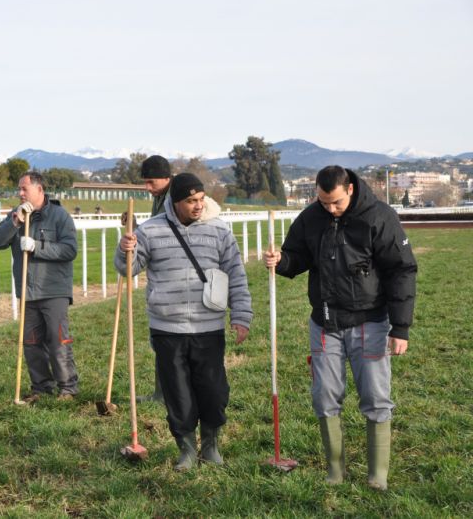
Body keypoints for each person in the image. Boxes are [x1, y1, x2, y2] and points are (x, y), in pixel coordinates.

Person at [263, 165, 417, 491]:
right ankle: (335, 471)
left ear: (349, 189)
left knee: (376, 397)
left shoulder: (380, 217)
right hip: (324, 323)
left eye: (335, 203)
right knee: (324, 396)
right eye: (323, 202)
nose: (329, 208)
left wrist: (400, 327)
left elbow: (402, 270)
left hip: (371, 323)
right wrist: (281, 261)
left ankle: (377, 475)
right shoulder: (310, 217)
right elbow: (297, 256)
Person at [115, 173, 252, 471]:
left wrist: (241, 315)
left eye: (201, 199)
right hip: (167, 328)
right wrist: (126, 248)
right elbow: (128, 269)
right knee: (177, 393)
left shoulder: (219, 231)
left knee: (214, 391)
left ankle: (211, 445)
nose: (198, 205)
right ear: (175, 202)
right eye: (191, 201)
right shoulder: (151, 231)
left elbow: (237, 276)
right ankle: (187, 449)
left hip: (209, 328)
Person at [136, 155, 222, 404]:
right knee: (162, 342)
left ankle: (176, 394)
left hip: (185, 281)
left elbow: (209, 212)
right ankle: (162, 394)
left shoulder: (181, 195)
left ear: (166, 179)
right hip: (163, 280)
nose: (147, 188)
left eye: (151, 182)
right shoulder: (161, 199)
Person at [0, 171, 79, 402]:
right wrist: (15, 222)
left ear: (39, 190)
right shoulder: (15, 215)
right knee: (31, 343)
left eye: (24, 189)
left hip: (54, 290)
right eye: (18, 189)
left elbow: (69, 250)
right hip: (27, 292)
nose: (19, 193)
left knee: (58, 339)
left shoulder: (59, 216)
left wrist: (37, 246)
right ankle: (41, 388)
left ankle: (67, 388)